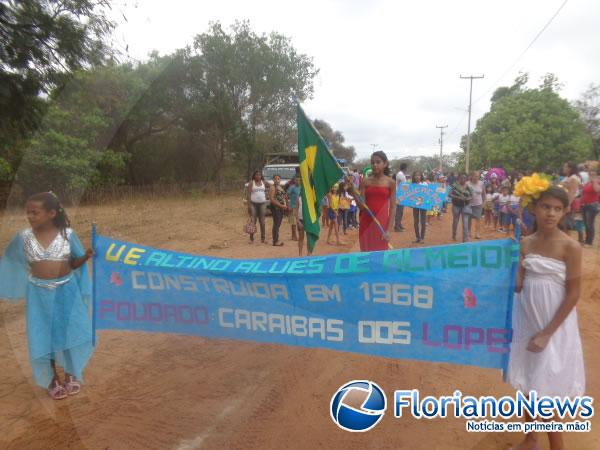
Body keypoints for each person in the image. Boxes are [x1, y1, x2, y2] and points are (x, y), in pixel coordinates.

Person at [506, 185, 585, 450]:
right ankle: (531, 439)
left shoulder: (570, 247)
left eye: (557, 209)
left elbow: (573, 294)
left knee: (547, 390)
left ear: (564, 212)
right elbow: (519, 285)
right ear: (533, 208)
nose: (551, 213)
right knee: (528, 381)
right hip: (527, 320)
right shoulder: (526, 243)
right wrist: (512, 267)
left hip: (554, 327)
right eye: (545, 207)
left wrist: (547, 333)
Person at [0, 192, 94, 400]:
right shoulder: (22, 238)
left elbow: (73, 263)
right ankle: (52, 379)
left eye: (35, 212)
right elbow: (11, 260)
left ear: (52, 213)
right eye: (28, 213)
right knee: (45, 335)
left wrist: (86, 256)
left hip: (67, 291)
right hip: (38, 294)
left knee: (68, 330)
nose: (30, 216)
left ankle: (71, 374)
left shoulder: (67, 235)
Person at [356, 151, 396, 251]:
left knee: (380, 255)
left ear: (385, 164)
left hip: (381, 224)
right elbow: (361, 207)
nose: (375, 165)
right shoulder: (365, 181)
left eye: (378, 162)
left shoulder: (390, 183)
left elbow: (392, 207)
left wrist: (388, 230)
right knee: (366, 254)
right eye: (373, 162)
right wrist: (352, 192)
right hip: (366, 223)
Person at [449, 173, 473, 242]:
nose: (463, 179)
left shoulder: (468, 187)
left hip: (466, 205)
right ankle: (454, 234)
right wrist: (458, 197)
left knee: (465, 222)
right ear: (458, 178)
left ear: (466, 179)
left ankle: (465, 239)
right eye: (461, 178)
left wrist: (468, 198)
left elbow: (472, 196)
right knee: (455, 221)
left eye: (464, 178)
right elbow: (449, 194)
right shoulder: (454, 186)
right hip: (456, 205)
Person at [246, 170, 268, 243]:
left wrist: (268, 194)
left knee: (262, 221)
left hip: (262, 204)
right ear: (254, 176)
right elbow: (248, 194)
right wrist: (248, 205)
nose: (258, 176)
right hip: (253, 204)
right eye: (256, 175)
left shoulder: (263, 182)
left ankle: (263, 238)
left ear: (261, 176)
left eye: (259, 175)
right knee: (253, 221)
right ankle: (251, 238)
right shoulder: (251, 183)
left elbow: (271, 186)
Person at [580, 171, 600, 247]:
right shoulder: (588, 183)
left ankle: (589, 242)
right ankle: (587, 240)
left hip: (592, 206)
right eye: (590, 174)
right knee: (586, 224)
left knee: (590, 224)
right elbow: (583, 193)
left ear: (597, 175)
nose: (591, 175)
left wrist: (594, 181)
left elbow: (597, 190)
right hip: (584, 205)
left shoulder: (597, 182)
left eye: (593, 174)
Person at [269, 175, 288, 246]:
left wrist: (285, 205)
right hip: (276, 207)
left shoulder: (280, 187)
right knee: (276, 224)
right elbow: (272, 199)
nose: (277, 180)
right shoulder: (272, 187)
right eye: (275, 179)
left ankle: (276, 239)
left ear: (280, 180)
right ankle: (275, 241)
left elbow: (283, 197)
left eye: (278, 179)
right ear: (273, 180)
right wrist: (281, 205)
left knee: (278, 223)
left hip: (281, 208)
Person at [467, 171, 485, 239]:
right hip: (469, 204)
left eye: (478, 176)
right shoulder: (467, 183)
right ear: (471, 176)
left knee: (478, 219)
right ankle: (468, 232)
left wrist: (484, 203)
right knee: (469, 219)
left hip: (478, 204)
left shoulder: (481, 183)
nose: (476, 177)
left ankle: (477, 233)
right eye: (475, 176)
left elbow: (484, 194)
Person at [411, 171, 428, 244]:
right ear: (414, 177)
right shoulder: (412, 185)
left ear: (421, 176)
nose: (417, 177)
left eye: (419, 175)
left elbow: (428, 194)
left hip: (423, 205)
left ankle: (422, 238)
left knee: (423, 222)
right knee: (415, 221)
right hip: (415, 205)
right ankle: (418, 237)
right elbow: (410, 196)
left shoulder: (425, 184)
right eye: (416, 175)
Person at [394, 162, 408, 231]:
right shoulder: (400, 174)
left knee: (401, 210)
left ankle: (399, 224)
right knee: (399, 210)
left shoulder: (401, 174)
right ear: (405, 168)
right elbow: (403, 185)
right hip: (399, 194)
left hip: (401, 194)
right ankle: (397, 226)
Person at [287, 174, 301, 241]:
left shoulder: (301, 188)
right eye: (296, 180)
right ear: (294, 181)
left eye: (299, 180)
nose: (298, 181)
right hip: (292, 206)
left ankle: (294, 235)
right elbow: (286, 196)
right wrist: (287, 205)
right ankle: (294, 236)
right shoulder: (292, 187)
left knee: (298, 222)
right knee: (293, 222)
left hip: (299, 207)